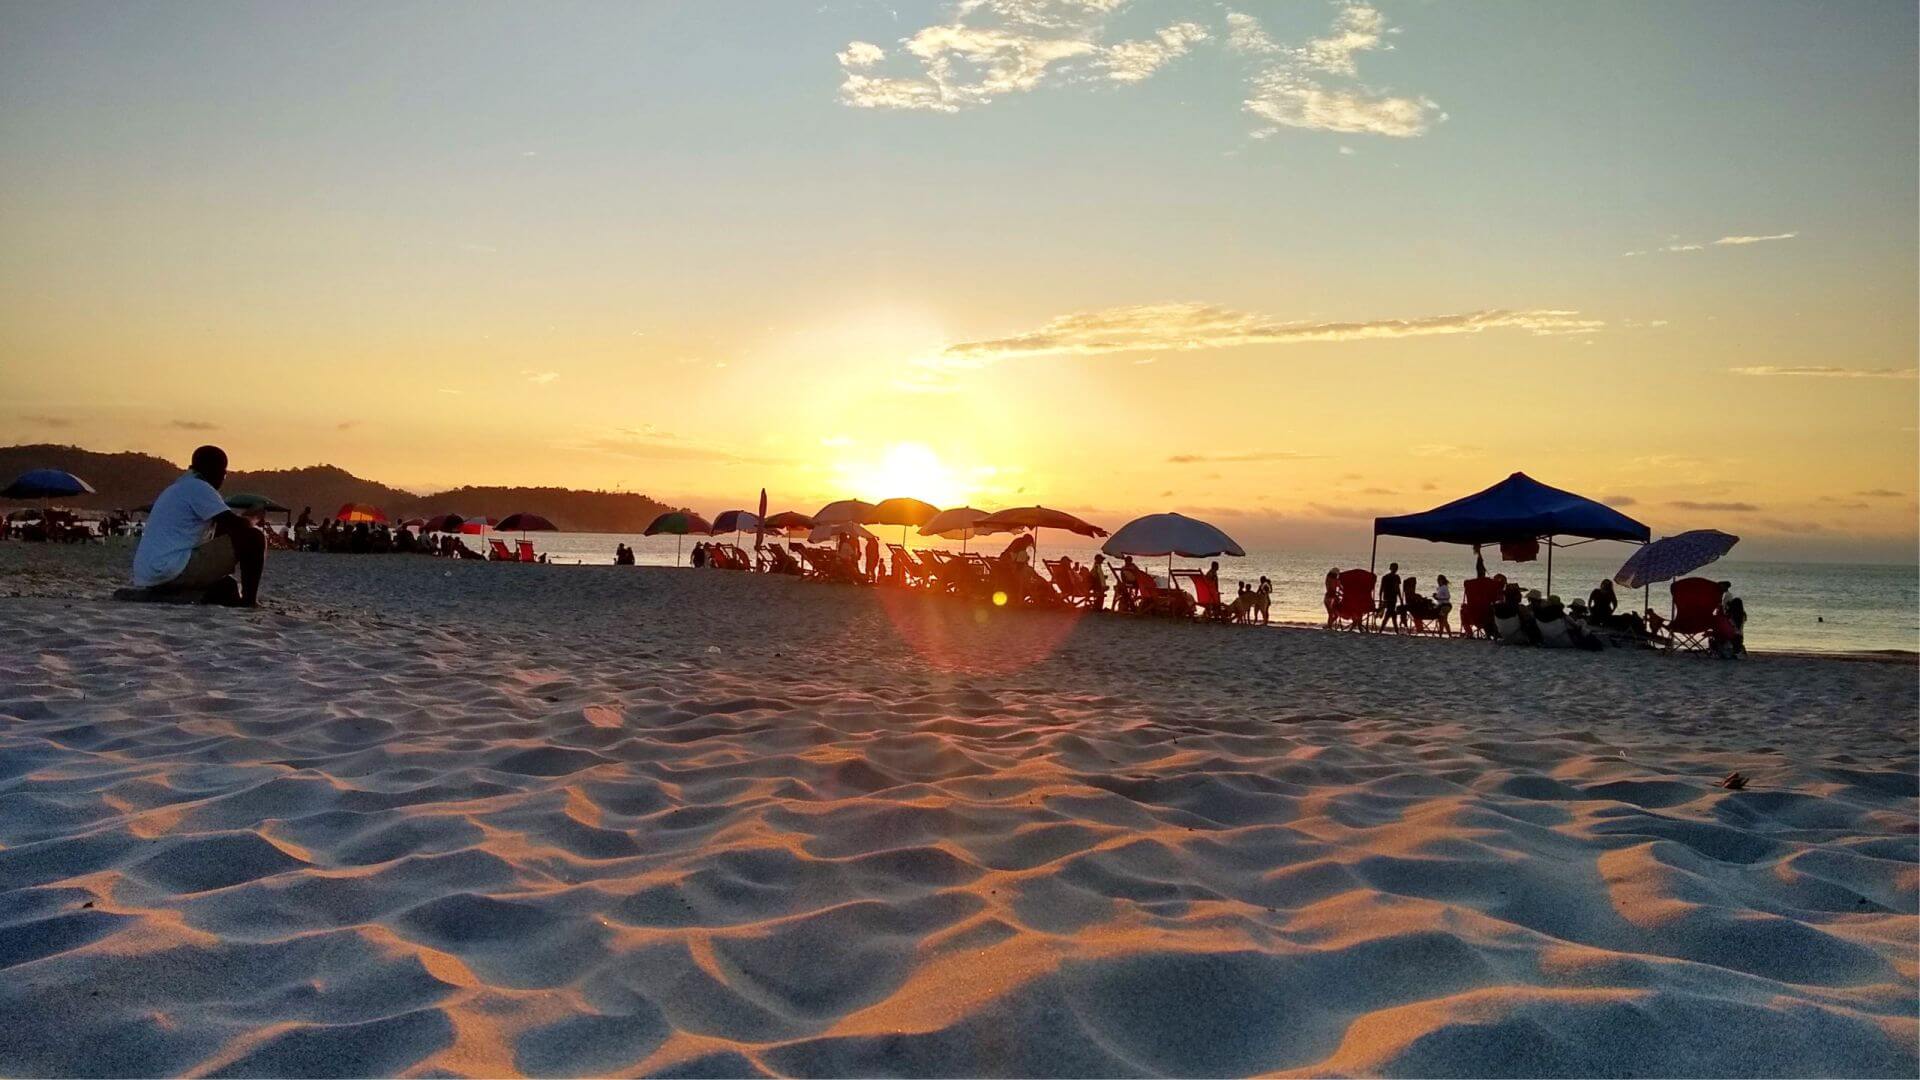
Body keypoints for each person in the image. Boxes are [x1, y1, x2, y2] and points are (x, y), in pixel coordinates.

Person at [131, 445, 264, 606]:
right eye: (224, 472)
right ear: (216, 471)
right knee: (254, 538)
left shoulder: (178, 487)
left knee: (227, 585)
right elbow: (238, 526)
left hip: (150, 574)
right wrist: (255, 515)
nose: (223, 477)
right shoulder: (199, 487)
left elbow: (222, 531)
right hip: (171, 569)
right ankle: (250, 602)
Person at [1378, 562, 1401, 632]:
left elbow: (1398, 589)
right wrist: (1380, 599)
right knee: (1390, 614)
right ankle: (1394, 630)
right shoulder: (1387, 577)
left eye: (1396, 568)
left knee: (1391, 614)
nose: (1395, 569)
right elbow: (1382, 589)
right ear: (1391, 568)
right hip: (1389, 598)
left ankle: (1382, 630)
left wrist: (1401, 598)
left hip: (1391, 598)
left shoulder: (1395, 577)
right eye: (1394, 568)